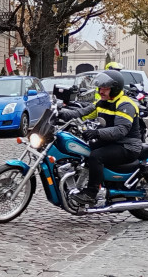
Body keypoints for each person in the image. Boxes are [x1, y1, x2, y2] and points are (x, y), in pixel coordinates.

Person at [57, 70, 142, 207]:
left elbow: (121, 130)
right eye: (100, 88)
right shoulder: (102, 102)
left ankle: (91, 193)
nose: (101, 91)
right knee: (84, 149)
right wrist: (60, 114)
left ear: (114, 89)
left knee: (97, 156)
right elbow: (81, 114)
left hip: (127, 146)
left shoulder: (125, 105)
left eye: (105, 88)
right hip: (111, 141)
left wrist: (97, 133)